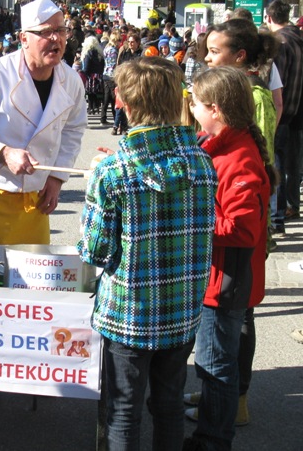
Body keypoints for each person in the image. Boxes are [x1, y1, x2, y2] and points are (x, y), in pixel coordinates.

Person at [0, 0, 86, 409]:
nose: (56, 40)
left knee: (31, 286)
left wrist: (57, 179)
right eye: (47, 33)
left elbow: (74, 131)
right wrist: (3, 152)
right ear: (23, 37)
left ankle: (23, 363)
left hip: (36, 198)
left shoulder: (71, 81)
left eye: (61, 31)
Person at [77, 56, 218, 450]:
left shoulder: (113, 171)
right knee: (169, 405)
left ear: (123, 102)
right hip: (182, 309)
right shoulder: (202, 163)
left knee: (124, 410)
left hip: (129, 314)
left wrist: (93, 187)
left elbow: (95, 251)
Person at [183, 67, 276, 451]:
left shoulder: (238, 158)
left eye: (194, 103)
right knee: (213, 361)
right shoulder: (220, 145)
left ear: (215, 109)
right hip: (218, 277)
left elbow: (242, 229)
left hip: (225, 283)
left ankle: (213, 439)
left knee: (216, 365)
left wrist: (192, 218)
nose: (190, 108)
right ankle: (213, 423)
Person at [265, 0, 303, 234]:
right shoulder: (298, 37)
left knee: (277, 162)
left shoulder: (280, 42)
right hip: (297, 109)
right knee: (293, 162)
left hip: (282, 111)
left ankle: (278, 214)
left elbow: (278, 84)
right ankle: (291, 205)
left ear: (269, 18)